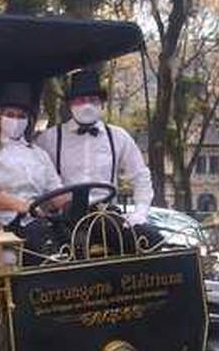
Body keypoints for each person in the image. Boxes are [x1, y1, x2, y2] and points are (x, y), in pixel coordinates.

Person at [35, 68, 161, 246]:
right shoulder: (49, 138)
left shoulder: (118, 136)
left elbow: (140, 175)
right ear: (71, 104)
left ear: (101, 104)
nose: (87, 105)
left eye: (93, 100)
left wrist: (140, 212)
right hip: (64, 217)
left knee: (151, 240)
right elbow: (35, 179)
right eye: (81, 100)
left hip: (104, 215)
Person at [0, 83, 64, 268]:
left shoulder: (39, 154)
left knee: (65, 250)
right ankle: (3, 293)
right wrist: (21, 205)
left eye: (21, 116)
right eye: (10, 115)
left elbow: (57, 193)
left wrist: (79, 203)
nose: (16, 120)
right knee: (6, 259)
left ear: (28, 120)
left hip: (28, 225)